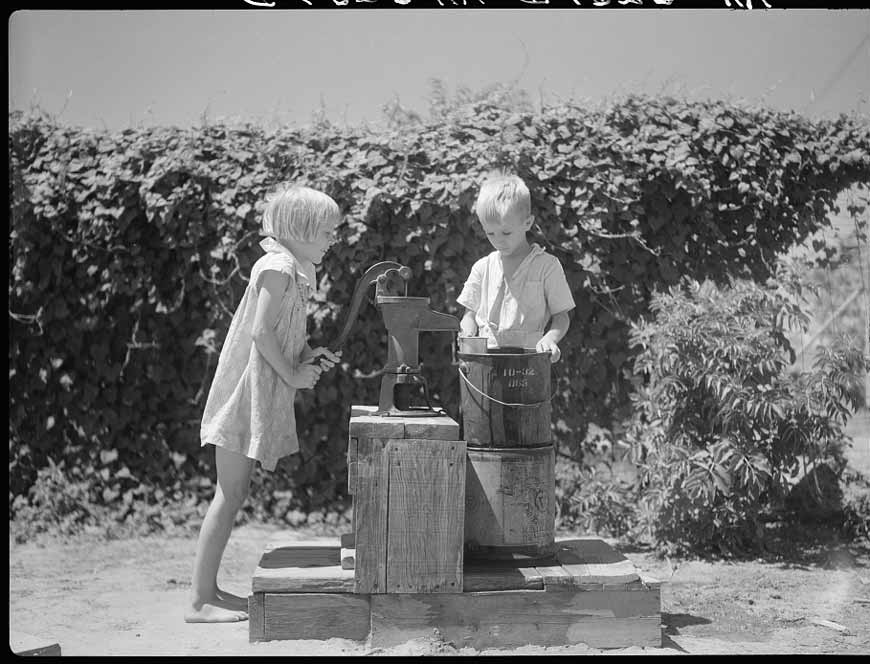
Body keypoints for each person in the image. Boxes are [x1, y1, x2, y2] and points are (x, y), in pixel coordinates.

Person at [185, 185, 343, 623]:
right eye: (328, 232)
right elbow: (259, 332)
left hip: (253, 391)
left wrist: (307, 355)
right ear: (301, 230)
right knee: (229, 494)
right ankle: (199, 601)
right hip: (242, 395)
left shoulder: (292, 268)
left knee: (232, 494)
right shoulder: (277, 267)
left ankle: (208, 594)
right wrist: (292, 375)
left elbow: (283, 334)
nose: (333, 240)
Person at [457, 173, 575, 362]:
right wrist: (467, 330)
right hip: (486, 365)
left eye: (506, 232)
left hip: (530, 365)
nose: (498, 240)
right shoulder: (482, 267)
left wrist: (550, 340)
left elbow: (562, 316)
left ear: (527, 223)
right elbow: (468, 315)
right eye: (490, 233)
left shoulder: (547, 266)